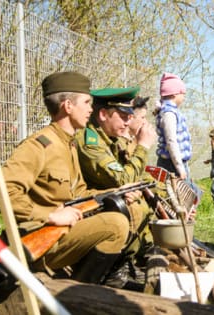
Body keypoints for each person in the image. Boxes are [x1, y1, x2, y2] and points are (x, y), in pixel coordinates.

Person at [0, 71, 138, 285]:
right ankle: (78, 291)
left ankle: (88, 287)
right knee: (115, 224)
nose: (90, 109)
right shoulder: (39, 146)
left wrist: (114, 194)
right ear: (68, 106)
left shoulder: (69, 143)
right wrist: (49, 215)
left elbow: (79, 194)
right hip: (38, 238)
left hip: (60, 233)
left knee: (123, 209)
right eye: (86, 102)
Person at [75, 86, 157, 287]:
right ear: (103, 114)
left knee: (140, 204)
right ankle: (105, 274)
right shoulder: (90, 141)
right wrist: (143, 146)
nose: (129, 121)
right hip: (85, 206)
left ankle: (120, 265)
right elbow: (122, 179)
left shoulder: (111, 140)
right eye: (122, 116)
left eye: (129, 116)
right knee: (132, 209)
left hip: (101, 199)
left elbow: (131, 176)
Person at [154, 72, 201, 200]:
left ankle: (184, 217)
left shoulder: (171, 111)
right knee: (187, 196)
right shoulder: (169, 113)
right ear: (175, 94)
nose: (184, 97)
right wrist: (179, 167)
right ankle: (182, 218)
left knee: (187, 195)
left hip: (176, 162)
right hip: (172, 163)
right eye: (183, 94)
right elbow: (171, 141)